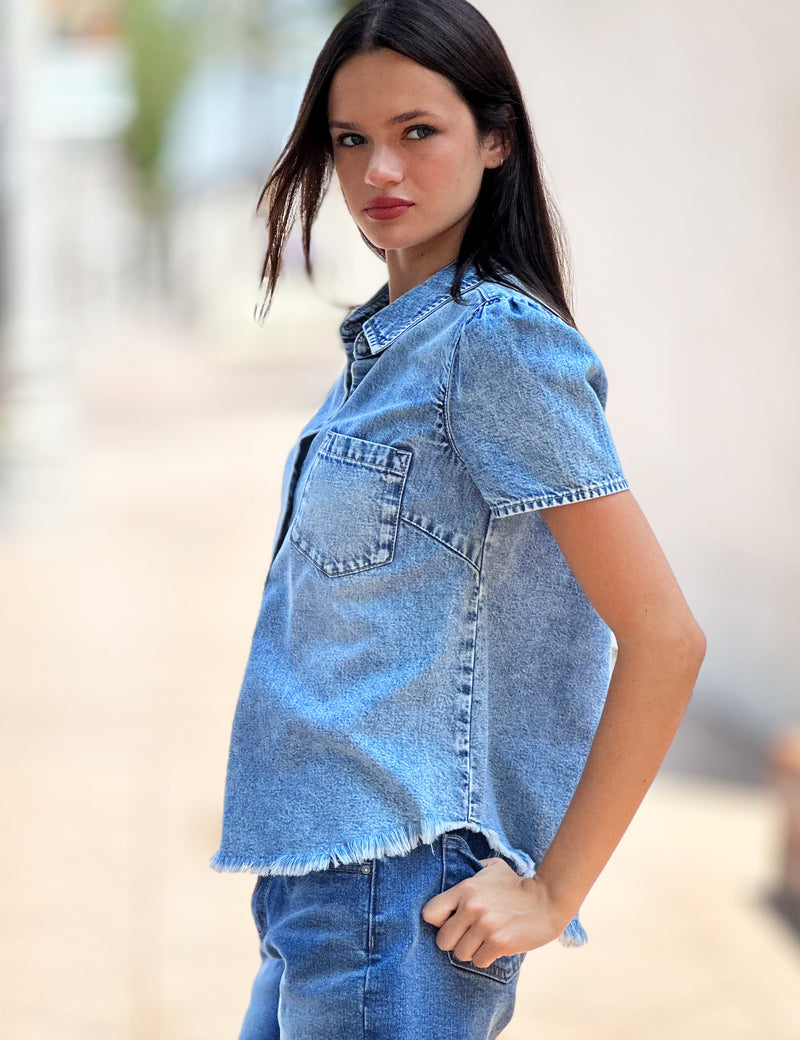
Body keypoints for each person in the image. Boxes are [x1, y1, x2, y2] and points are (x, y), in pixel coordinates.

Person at [210, 1, 706, 1037]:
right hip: (319, 893)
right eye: (350, 140)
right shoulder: (390, 347)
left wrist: (552, 888)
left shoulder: (494, 347)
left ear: (493, 139)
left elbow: (664, 635)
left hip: (396, 908)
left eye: (415, 132)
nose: (376, 171)